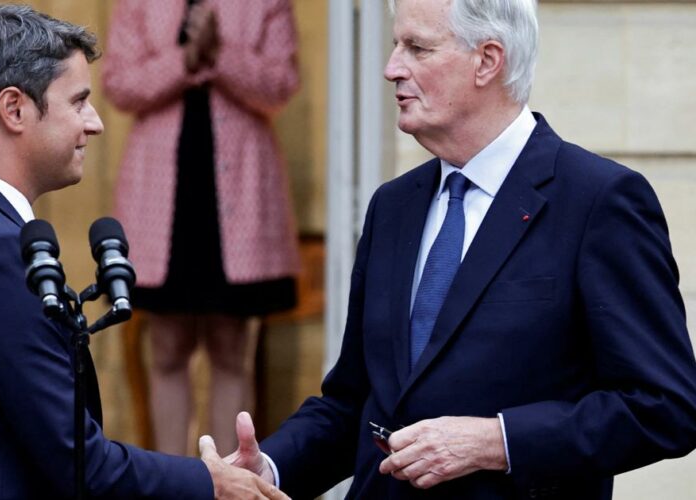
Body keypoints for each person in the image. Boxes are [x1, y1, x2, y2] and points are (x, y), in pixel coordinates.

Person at [222, 0, 696, 498]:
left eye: (417, 48)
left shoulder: (598, 200)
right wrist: (270, 468)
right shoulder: (393, 206)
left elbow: (663, 406)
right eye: (394, 45)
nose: (391, 69)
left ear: (487, 61)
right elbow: (356, 401)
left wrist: (498, 441)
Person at [0, 5, 286, 499]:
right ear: (14, 110)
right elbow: (80, 463)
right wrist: (209, 482)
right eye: (78, 102)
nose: (94, 123)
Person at [102, 0, 300, 456]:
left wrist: (220, 51)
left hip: (239, 197)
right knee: (167, 348)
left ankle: (231, 481)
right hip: (162, 197)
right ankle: (173, 482)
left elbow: (280, 86)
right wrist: (185, 58)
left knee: (232, 350)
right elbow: (119, 85)